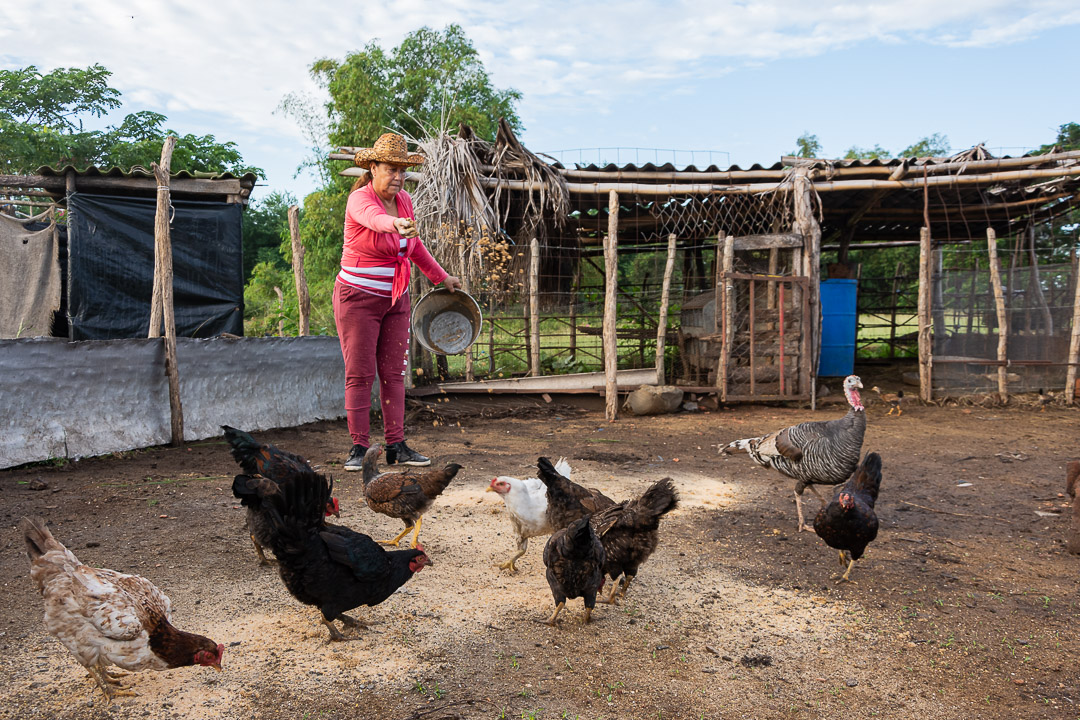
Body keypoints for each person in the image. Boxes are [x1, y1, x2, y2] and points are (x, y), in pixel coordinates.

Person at [335, 133, 461, 470]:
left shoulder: (404, 200)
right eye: (391, 169)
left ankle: (396, 445)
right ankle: (359, 448)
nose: (398, 176)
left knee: (394, 373)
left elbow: (414, 246)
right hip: (357, 298)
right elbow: (374, 220)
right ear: (373, 168)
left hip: (395, 298)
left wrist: (442, 277)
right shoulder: (359, 199)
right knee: (360, 373)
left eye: (402, 170)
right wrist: (395, 224)